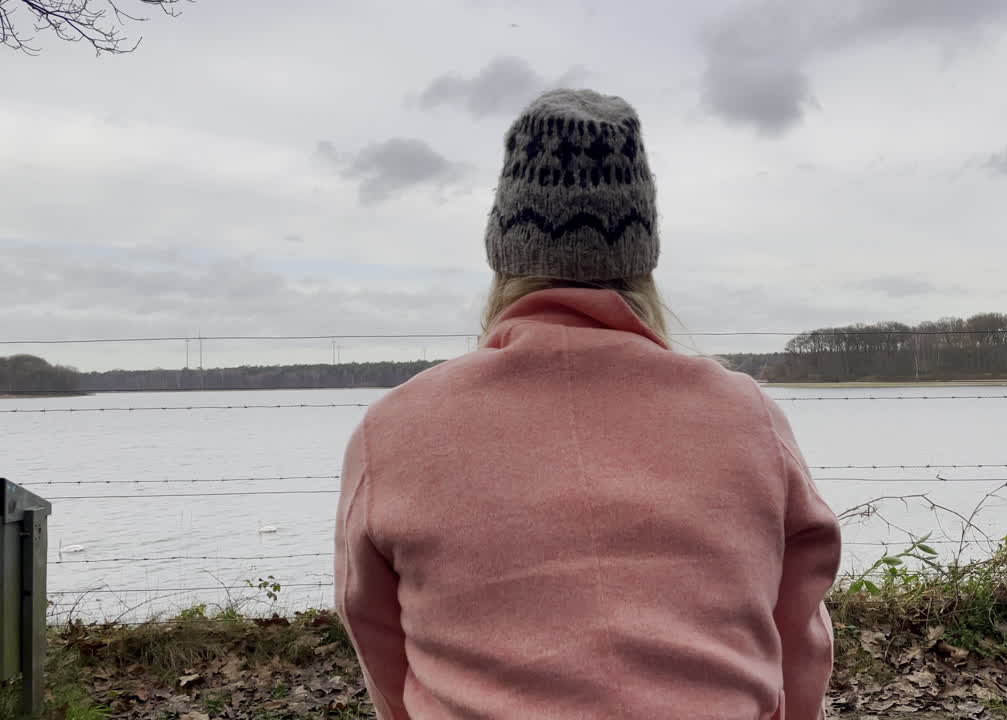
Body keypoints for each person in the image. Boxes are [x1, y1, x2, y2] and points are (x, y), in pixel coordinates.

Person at [335, 88, 842, 720]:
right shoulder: (746, 416)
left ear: (504, 254)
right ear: (641, 260)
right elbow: (801, 637)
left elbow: (376, 636)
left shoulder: (395, 429)